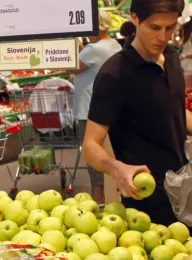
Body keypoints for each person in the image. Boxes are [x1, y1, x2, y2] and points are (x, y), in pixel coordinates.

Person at [83, 0, 192, 242]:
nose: (163, 36)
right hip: (147, 203)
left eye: (170, 28)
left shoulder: (171, 57)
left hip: (185, 192)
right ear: (135, 19)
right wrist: (117, 168)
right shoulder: (115, 75)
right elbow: (91, 146)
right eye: (155, 27)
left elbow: (169, 107)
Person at [70, 10, 122, 202]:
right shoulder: (114, 44)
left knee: (94, 161)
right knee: (108, 155)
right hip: (107, 109)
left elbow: (71, 66)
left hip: (88, 110)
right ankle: (111, 199)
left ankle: (99, 202)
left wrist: (67, 47)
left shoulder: (94, 48)